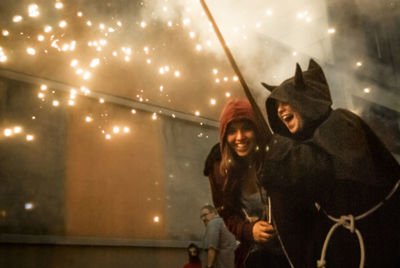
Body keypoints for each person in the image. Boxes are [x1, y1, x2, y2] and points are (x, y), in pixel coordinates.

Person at [260, 59, 400, 267]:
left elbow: (319, 167)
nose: (280, 110)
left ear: (307, 99)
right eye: (277, 105)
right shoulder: (307, 142)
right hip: (348, 243)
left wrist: (280, 153)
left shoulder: (341, 122)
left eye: (285, 101)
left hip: (386, 238)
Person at [203, 99, 290, 268]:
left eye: (246, 128)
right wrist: (249, 230)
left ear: (256, 129)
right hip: (254, 257)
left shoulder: (276, 156)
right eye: (232, 131)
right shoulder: (220, 168)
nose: (240, 137)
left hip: (293, 252)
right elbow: (227, 214)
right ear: (224, 135)